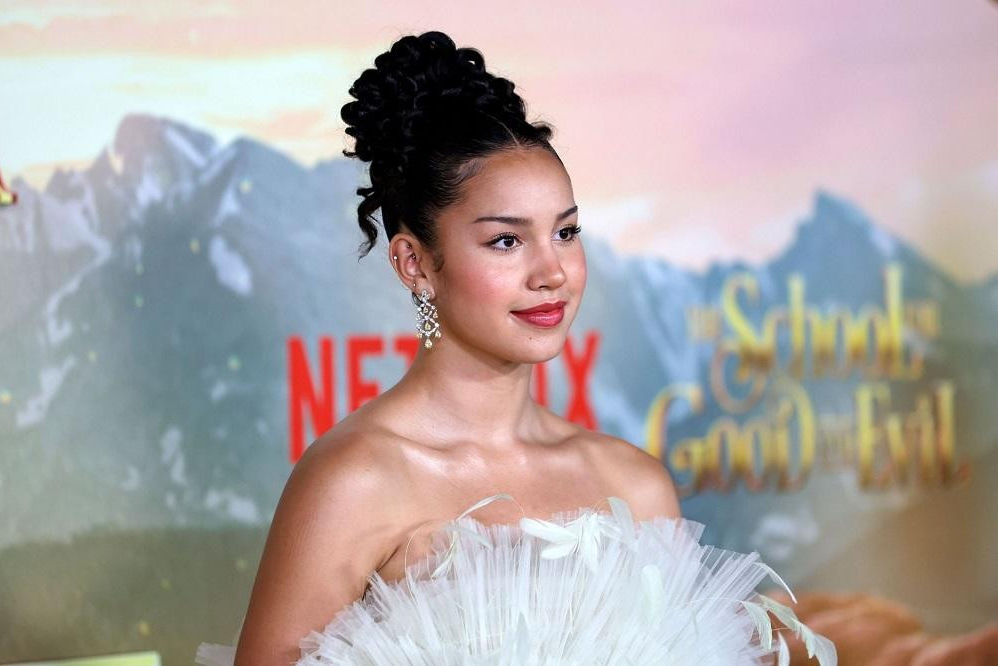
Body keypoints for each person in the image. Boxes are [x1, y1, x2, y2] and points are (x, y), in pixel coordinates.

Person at [197, 30, 836, 665]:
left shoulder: (634, 487)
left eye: (566, 232)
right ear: (414, 263)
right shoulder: (353, 483)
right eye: (506, 240)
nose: (551, 272)